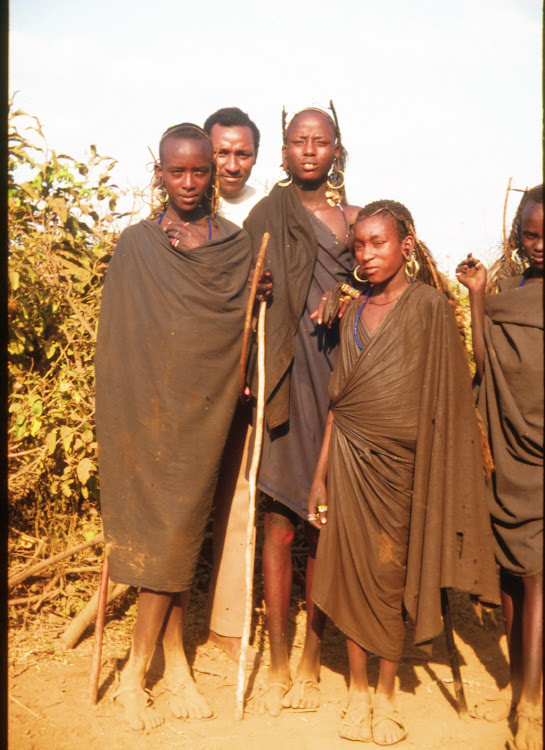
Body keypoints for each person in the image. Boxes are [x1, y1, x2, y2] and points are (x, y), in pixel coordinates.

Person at [308, 200, 500, 745]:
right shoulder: (350, 312)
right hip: (346, 458)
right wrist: (319, 475)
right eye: (359, 246)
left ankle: (388, 695)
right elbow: (337, 403)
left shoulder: (430, 309)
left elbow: (449, 397)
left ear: (406, 246)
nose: (366, 255)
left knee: (389, 577)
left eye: (378, 243)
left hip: (403, 468)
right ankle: (359, 691)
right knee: (349, 571)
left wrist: (437, 473)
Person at [95, 123, 254, 731]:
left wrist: (253, 293)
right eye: (176, 171)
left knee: (184, 532)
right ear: (158, 172)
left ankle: (169, 662)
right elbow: (118, 342)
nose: (189, 183)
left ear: (214, 174)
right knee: (160, 535)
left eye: (199, 172)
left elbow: (233, 327)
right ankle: (142, 672)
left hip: (204, 412)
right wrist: (126, 415)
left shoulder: (234, 245)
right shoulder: (137, 244)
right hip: (145, 414)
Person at [243, 104, 361, 716]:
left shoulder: (357, 220)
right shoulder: (267, 214)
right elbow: (241, 284)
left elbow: (386, 293)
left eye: (321, 141)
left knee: (322, 525)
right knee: (278, 525)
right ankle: (281, 664)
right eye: (298, 141)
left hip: (341, 387)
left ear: (337, 149)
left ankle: (315, 659)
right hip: (286, 382)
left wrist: (345, 292)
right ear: (284, 152)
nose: (309, 150)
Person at [456, 185, 543, 750]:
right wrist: (479, 294)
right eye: (531, 235)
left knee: (536, 573)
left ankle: (532, 712)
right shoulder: (510, 295)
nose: (539, 246)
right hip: (508, 452)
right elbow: (484, 362)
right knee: (513, 573)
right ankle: (519, 688)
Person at [203, 106, 264, 225]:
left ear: (255, 156)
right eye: (222, 153)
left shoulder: (269, 208)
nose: (232, 167)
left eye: (243, 155)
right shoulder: (185, 208)